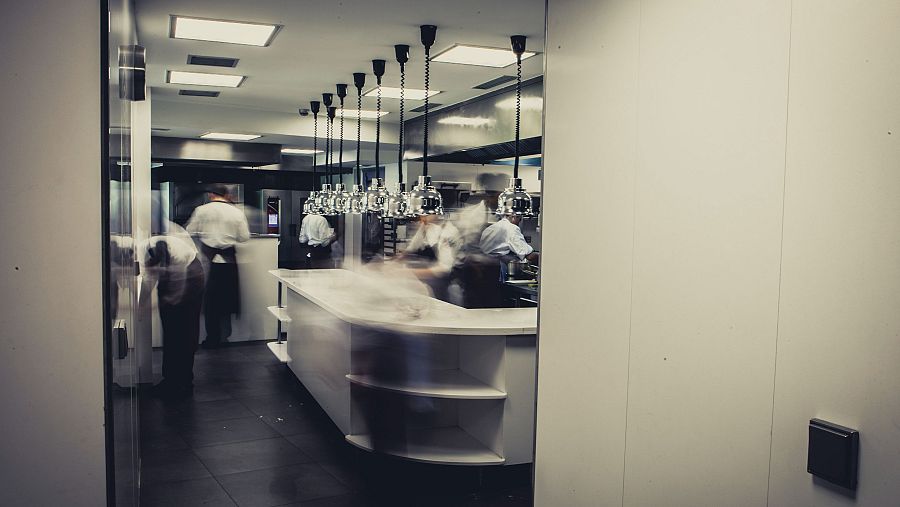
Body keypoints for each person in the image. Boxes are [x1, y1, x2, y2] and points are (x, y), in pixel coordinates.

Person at [141, 225, 205, 397]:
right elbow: (148, 279)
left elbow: (178, 281)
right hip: (176, 274)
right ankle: (170, 379)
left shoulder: (177, 253)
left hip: (191, 275)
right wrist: (141, 306)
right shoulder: (145, 250)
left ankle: (183, 381)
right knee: (170, 328)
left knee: (185, 329)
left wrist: (174, 299)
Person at [186, 184, 250, 348]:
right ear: (226, 195)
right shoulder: (237, 212)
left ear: (211, 195)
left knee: (210, 301)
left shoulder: (202, 210)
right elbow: (244, 237)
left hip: (207, 260)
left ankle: (212, 338)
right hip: (228, 261)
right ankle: (225, 336)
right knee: (227, 298)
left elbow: (190, 231)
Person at [397, 214, 461, 302]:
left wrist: (408, 272)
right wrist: (396, 260)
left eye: (425, 215)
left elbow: (443, 269)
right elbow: (413, 245)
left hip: (444, 284)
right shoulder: (426, 225)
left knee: (443, 308)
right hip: (429, 283)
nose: (421, 218)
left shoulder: (449, 232)